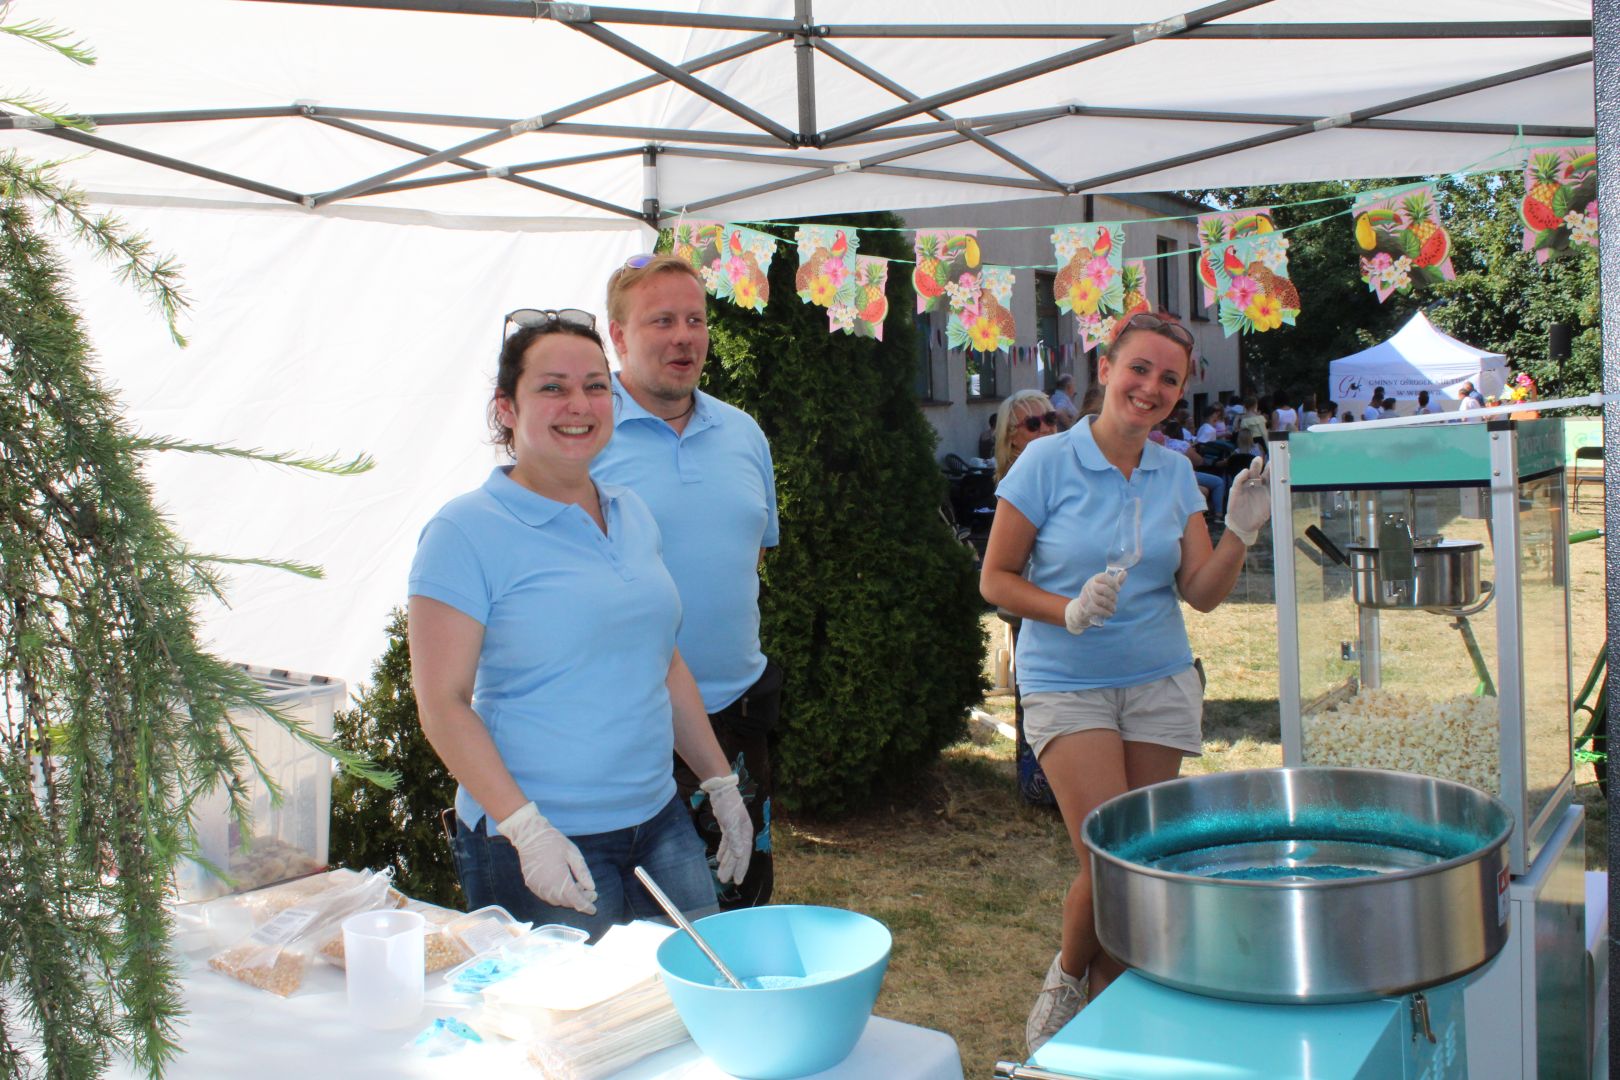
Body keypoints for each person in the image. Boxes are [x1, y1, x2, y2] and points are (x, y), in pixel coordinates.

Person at [408, 308, 752, 939]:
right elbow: (442, 703)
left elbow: (663, 660)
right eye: (552, 387)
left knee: (696, 987)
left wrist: (720, 781)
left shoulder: (632, 513)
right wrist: (525, 829)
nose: (579, 404)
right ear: (506, 408)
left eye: (595, 385)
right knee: (578, 1007)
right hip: (542, 840)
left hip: (659, 821)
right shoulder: (464, 531)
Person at [980, 312, 1272, 1053]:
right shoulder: (1045, 462)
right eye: (1139, 368)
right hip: (1066, 681)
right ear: (1105, 369)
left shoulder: (1174, 473)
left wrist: (1240, 533)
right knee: (1110, 857)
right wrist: (1068, 610)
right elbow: (996, 579)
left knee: (1142, 864)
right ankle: (1066, 980)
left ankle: (1112, 1016)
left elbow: (1200, 592)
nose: (1151, 388)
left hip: (1158, 681)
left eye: (1169, 379)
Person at [593, 254, 782, 911]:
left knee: (740, 910)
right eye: (662, 321)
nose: (684, 337)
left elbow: (752, 556)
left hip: (739, 718)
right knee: (643, 930)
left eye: (695, 320)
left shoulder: (743, 433)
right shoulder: (584, 437)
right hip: (632, 724)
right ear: (618, 335)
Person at [991, 390, 1061, 808]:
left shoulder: (1067, 467)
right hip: (1031, 602)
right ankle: (1039, 787)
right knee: (1035, 695)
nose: (1046, 429)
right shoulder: (1016, 481)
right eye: (1033, 424)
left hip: (1066, 601)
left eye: (1051, 419)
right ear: (1012, 437)